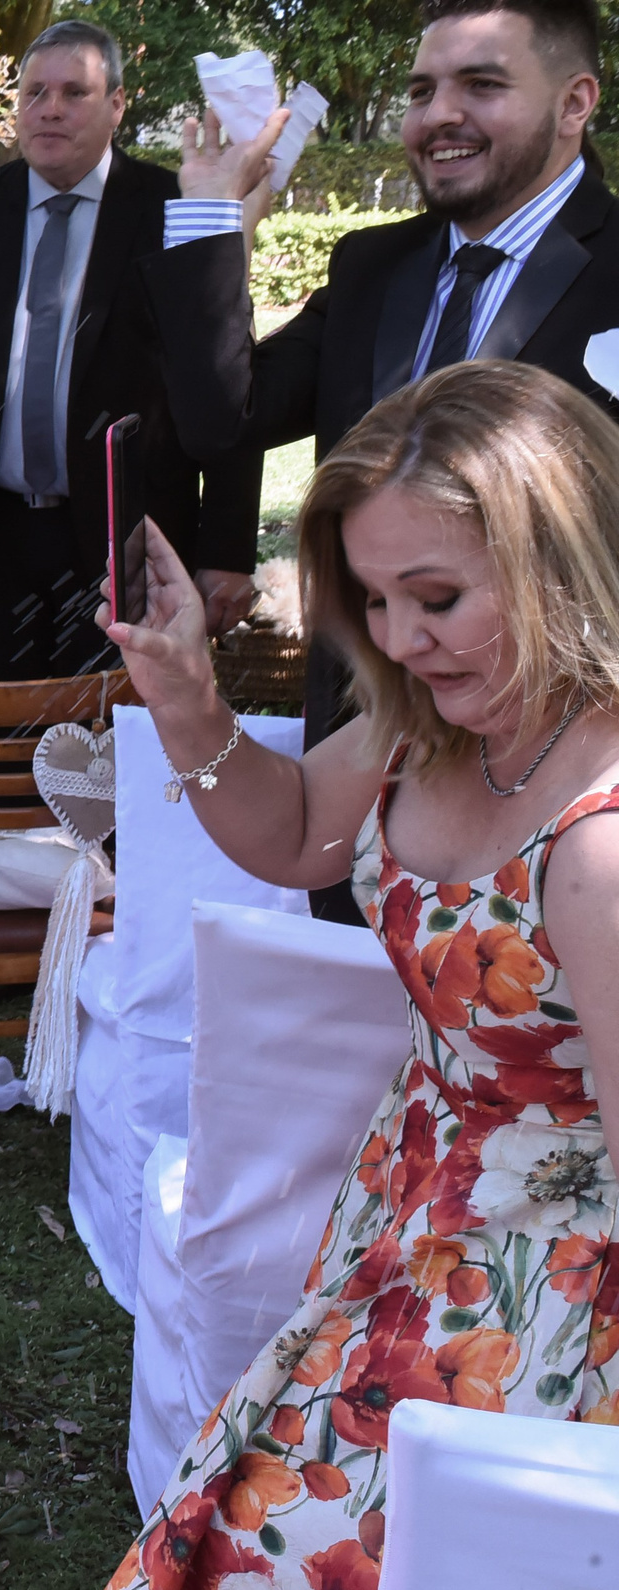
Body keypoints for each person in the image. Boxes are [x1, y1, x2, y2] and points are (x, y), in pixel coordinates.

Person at [30, 360, 619, 1590]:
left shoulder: (601, 846)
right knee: (274, 1561)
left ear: (561, 554)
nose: (402, 638)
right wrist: (185, 689)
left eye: (439, 596)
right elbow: (294, 830)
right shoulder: (429, 731)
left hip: (546, 1299)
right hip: (412, 1220)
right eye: (373, 600)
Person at [151, 0, 616, 921]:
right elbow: (222, 418)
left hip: (572, 760)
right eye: (421, 90)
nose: (438, 113)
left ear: (575, 103)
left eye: (481, 85)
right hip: (371, 737)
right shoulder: (371, 266)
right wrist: (210, 214)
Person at [0, 19, 257, 682]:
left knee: (116, 753)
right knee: (5, 750)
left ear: (116, 106)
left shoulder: (175, 206)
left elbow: (227, 379)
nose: (49, 108)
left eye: (74, 92)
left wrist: (226, 548)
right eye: (34, 93)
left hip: (131, 540)